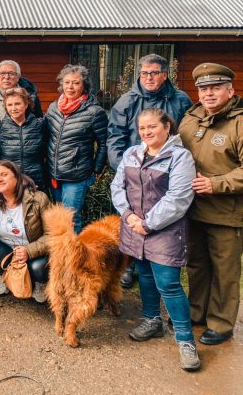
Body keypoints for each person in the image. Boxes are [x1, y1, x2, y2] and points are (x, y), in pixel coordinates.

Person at [111, 108, 200, 371]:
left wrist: (147, 224)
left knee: (169, 284)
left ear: (166, 127)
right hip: (133, 227)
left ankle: (185, 340)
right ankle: (152, 320)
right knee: (145, 277)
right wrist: (128, 216)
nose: (147, 132)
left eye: (152, 127)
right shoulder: (131, 153)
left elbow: (179, 198)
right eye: (142, 128)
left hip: (164, 230)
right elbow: (117, 186)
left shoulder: (180, 157)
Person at [106, 53, 192, 288]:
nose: (149, 77)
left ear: (164, 75)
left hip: (167, 168)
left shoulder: (180, 100)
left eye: (154, 73)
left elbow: (189, 133)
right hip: (135, 168)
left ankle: (162, 264)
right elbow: (115, 135)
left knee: (163, 216)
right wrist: (122, 167)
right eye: (144, 73)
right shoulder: (127, 100)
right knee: (133, 218)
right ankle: (132, 265)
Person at [178, 63, 243, 346]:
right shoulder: (191, 118)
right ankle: (197, 312)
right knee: (197, 265)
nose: (209, 94)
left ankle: (221, 322)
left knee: (224, 271)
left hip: (226, 212)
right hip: (192, 209)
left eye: (215, 88)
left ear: (230, 90)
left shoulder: (239, 122)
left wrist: (216, 184)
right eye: (204, 88)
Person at [0, 160, 53, 303]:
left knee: (38, 268)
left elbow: (53, 234)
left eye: (4, 174)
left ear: (16, 177)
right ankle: (4, 277)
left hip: (34, 248)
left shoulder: (38, 198)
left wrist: (29, 251)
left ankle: (39, 283)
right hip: (6, 249)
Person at [45, 64, 108, 233]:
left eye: (76, 83)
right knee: (59, 218)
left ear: (84, 86)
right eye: (67, 83)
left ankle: (75, 258)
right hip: (54, 174)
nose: (70, 87)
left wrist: (96, 170)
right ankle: (61, 255)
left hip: (77, 176)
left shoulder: (94, 112)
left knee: (71, 220)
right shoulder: (53, 108)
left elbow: (104, 143)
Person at [0, 87, 47, 191]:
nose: (13, 108)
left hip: (36, 180)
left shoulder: (39, 125)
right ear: (5, 107)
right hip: (10, 181)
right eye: (10, 105)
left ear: (26, 104)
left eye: (17, 104)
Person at [0, 60, 43, 126]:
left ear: (18, 77)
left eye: (11, 73)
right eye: (2, 73)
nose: (6, 77)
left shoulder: (30, 94)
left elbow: (38, 119)